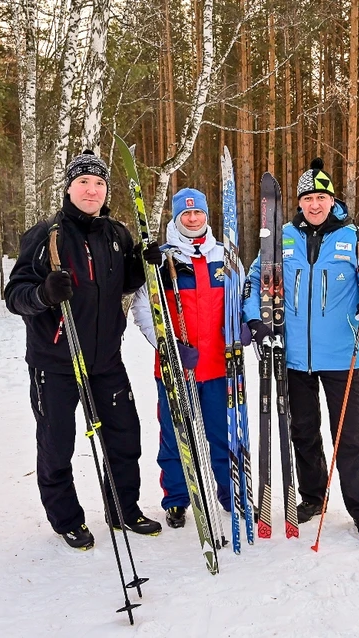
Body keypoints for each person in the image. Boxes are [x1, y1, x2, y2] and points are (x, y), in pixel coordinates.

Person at [5, 150, 164, 550]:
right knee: (57, 442)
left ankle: (123, 508)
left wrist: (144, 265)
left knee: (125, 436)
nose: (91, 190)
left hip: (105, 359)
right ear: (69, 188)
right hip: (56, 361)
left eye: (98, 184)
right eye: (83, 183)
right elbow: (15, 295)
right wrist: (44, 293)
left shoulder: (116, 234)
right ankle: (67, 519)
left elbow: (121, 285)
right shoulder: (47, 236)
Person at [242, 158, 359, 545]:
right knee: (303, 431)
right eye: (308, 197)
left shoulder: (354, 237)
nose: (314, 204)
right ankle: (312, 497)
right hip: (293, 358)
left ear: (331, 199)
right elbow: (256, 278)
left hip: (343, 355)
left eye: (321, 197)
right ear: (299, 201)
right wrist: (255, 319)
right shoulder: (281, 237)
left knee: (352, 437)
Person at [131, 187, 244, 529]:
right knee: (175, 433)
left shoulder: (225, 256)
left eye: (198, 214)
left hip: (217, 365)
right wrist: (169, 347)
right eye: (186, 214)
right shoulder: (161, 259)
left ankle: (230, 493)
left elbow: (241, 299)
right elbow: (142, 309)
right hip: (176, 366)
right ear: (176, 218)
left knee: (222, 434)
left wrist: (243, 326)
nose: (193, 219)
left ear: (207, 217)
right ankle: (178, 499)